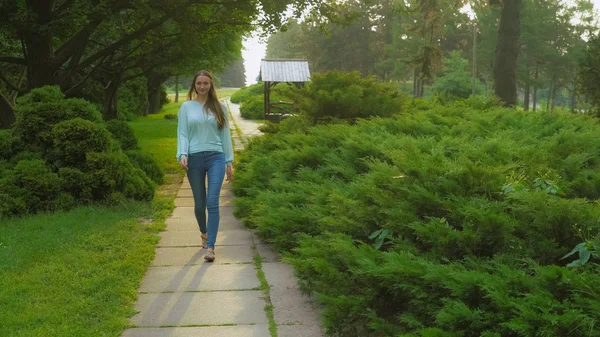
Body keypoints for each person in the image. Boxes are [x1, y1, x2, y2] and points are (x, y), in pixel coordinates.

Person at [176, 70, 234, 262]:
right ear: (194, 85)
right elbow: (183, 133)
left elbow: (225, 135)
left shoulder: (219, 107)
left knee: (212, 202)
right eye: (199, 83)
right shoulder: (186, 107)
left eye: (206, 83)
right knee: (200, 205)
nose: (202, 86)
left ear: (211, 85)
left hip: (216, 157)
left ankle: (211, 247)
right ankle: (204, 233)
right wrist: (182, 154)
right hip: (194, 158)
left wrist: (229, 162)